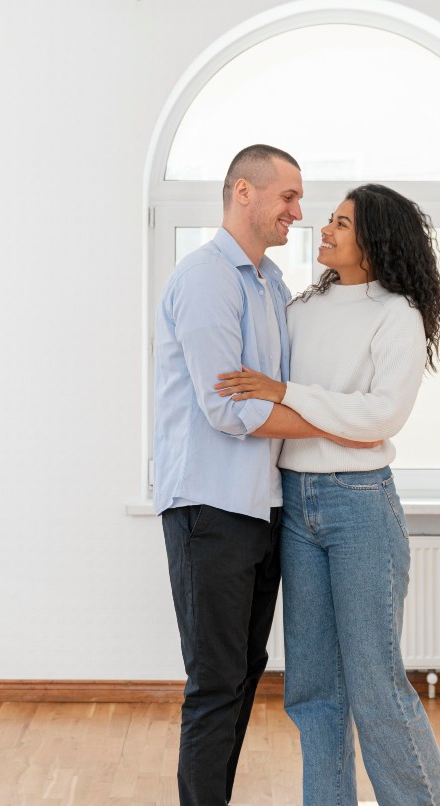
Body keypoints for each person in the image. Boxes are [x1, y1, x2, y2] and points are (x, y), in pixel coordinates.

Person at [215, 184, 440, 805]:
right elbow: (337, 418)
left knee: (376, 685)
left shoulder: (398, 314)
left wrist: (286, 394)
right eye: (328, 220)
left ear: (375, 243)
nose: (323, 229)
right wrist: (320, 414)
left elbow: (379, 419)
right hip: (298, 504)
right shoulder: (301, 309)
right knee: (312, 691)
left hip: (360, 507)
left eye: (341, 223)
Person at [153, 145, 376, 806]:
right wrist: (340, 422)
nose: (298, 213)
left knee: (245, 672)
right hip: (209, 509)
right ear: (243, 194)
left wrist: (304, 403)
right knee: (216, 680)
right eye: (288, 196)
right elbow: (229, 408)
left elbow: (282, 392)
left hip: (261, 508)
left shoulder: (271, 284)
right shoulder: (205, 279)